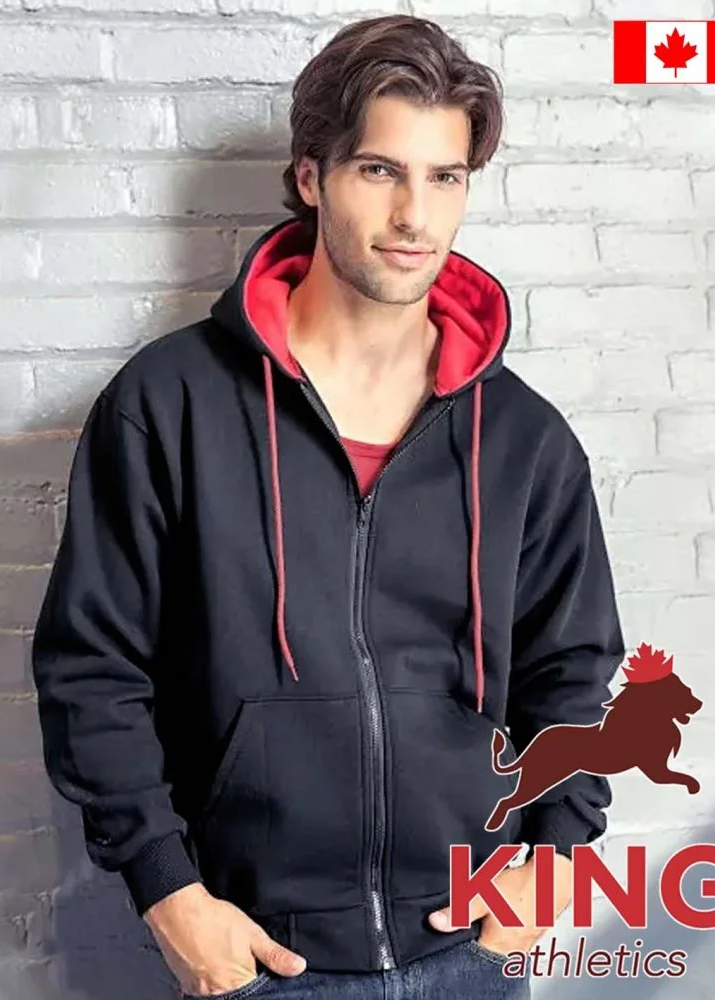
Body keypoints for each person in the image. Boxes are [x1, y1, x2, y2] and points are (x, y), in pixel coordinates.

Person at [31, 13, 625, 1000]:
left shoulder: (525, 438)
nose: (415, 216)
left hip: (472, 947)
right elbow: (93, 670)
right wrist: (168, 892)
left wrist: (557, 855)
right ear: (311, 176)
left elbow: (572, 671)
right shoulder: (169, 405)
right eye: (379, 171)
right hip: (258, 955)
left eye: (446, 177)